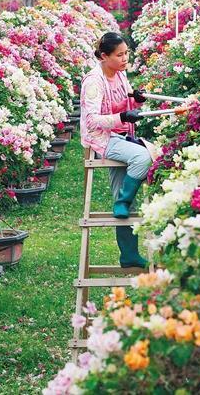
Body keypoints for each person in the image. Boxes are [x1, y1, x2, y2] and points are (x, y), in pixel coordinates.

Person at [80, 32, 151, 269]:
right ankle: (123, 200)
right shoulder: (93, 81)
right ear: (104, 56)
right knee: (143, 157)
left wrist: (136, 101)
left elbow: (123, 104)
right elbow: (92, 121)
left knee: (126, 202)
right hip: (103, 138)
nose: (125, 59)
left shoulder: (120, 75)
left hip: (122, 136)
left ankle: (129, 254)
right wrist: (122, 117)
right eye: (119, 55)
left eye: (126, 53)